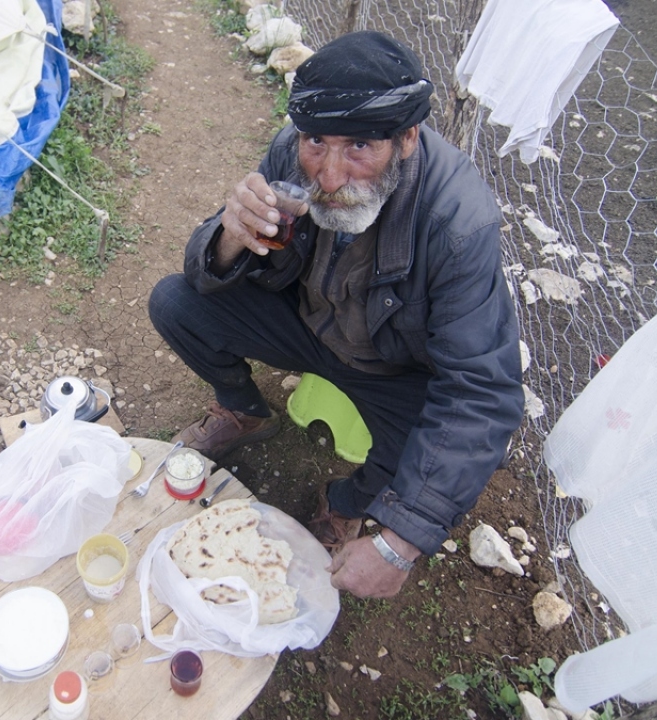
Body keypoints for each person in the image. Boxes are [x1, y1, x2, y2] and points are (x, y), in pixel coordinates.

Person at [147, 31, 525, 599]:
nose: (328, 175)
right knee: (175, 303)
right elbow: (213, 269)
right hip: (308, 325)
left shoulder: (457, 222)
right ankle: (245, 411)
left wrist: (400, 543)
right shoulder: (291, 152)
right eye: (317, 142)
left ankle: (344, 505)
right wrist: (227, 238)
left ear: (406, 138)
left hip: (390, 367)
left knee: (422, 453)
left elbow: (481, 392)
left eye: (360, 147)